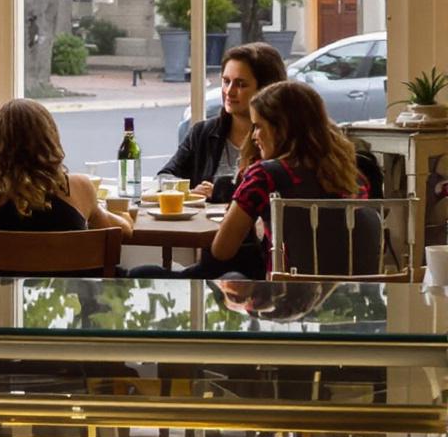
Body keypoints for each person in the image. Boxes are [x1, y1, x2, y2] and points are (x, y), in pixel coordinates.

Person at [199, 78, 369, 279]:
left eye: (259, 126)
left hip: (286, 297)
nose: (254, 136)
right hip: (346, 298)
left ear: (282, 128)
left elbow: (222, 250)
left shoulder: (264, 176)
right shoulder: (353, 177)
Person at [0, 98, 133, 238]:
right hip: (65, 288)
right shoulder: (78, 187)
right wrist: (126, 216)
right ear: (49, 140)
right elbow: (122, 231)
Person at [158, 41, 285, 197]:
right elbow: (164, 177)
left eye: (241, 84)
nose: (229, 92)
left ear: (266, 89)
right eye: (226, 81)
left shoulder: (282, 138)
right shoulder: (203, 132)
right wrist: (187, 192)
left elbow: (279, 192)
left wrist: (218, 192)